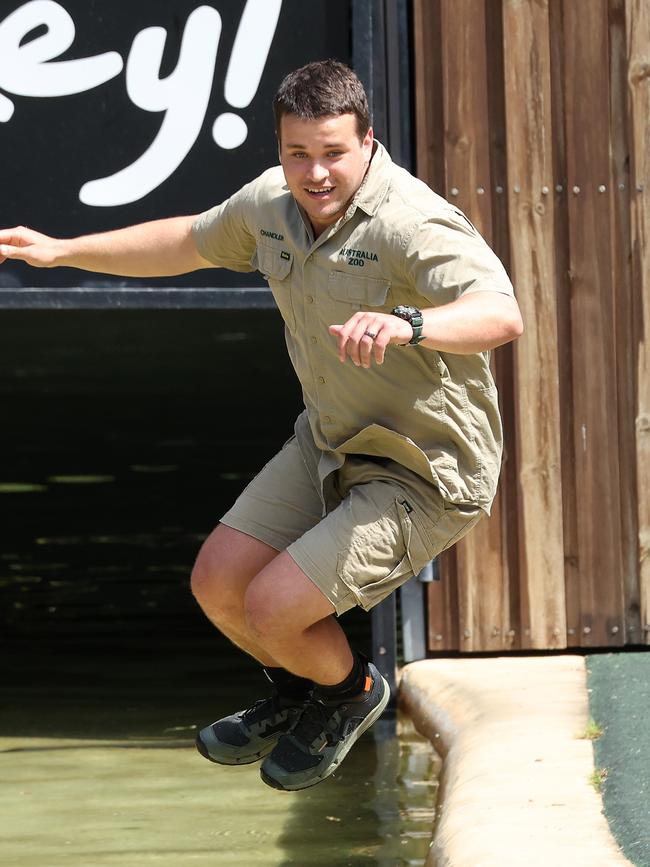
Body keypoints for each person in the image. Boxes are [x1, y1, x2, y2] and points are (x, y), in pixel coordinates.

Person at [0, 60, 523, 792]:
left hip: (423, 468)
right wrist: (63, 251)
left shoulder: (412, 221)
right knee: (218, 584)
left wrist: (410, 323)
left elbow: (502, 313)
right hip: (332, 438)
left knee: (273, 606)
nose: (315, 172)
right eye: (297, 152)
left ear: (368, 141)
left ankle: (351, 694)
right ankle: (295, 693)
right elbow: (186, 241)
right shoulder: (271, 205)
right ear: (279, 147)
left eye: (334, 152)